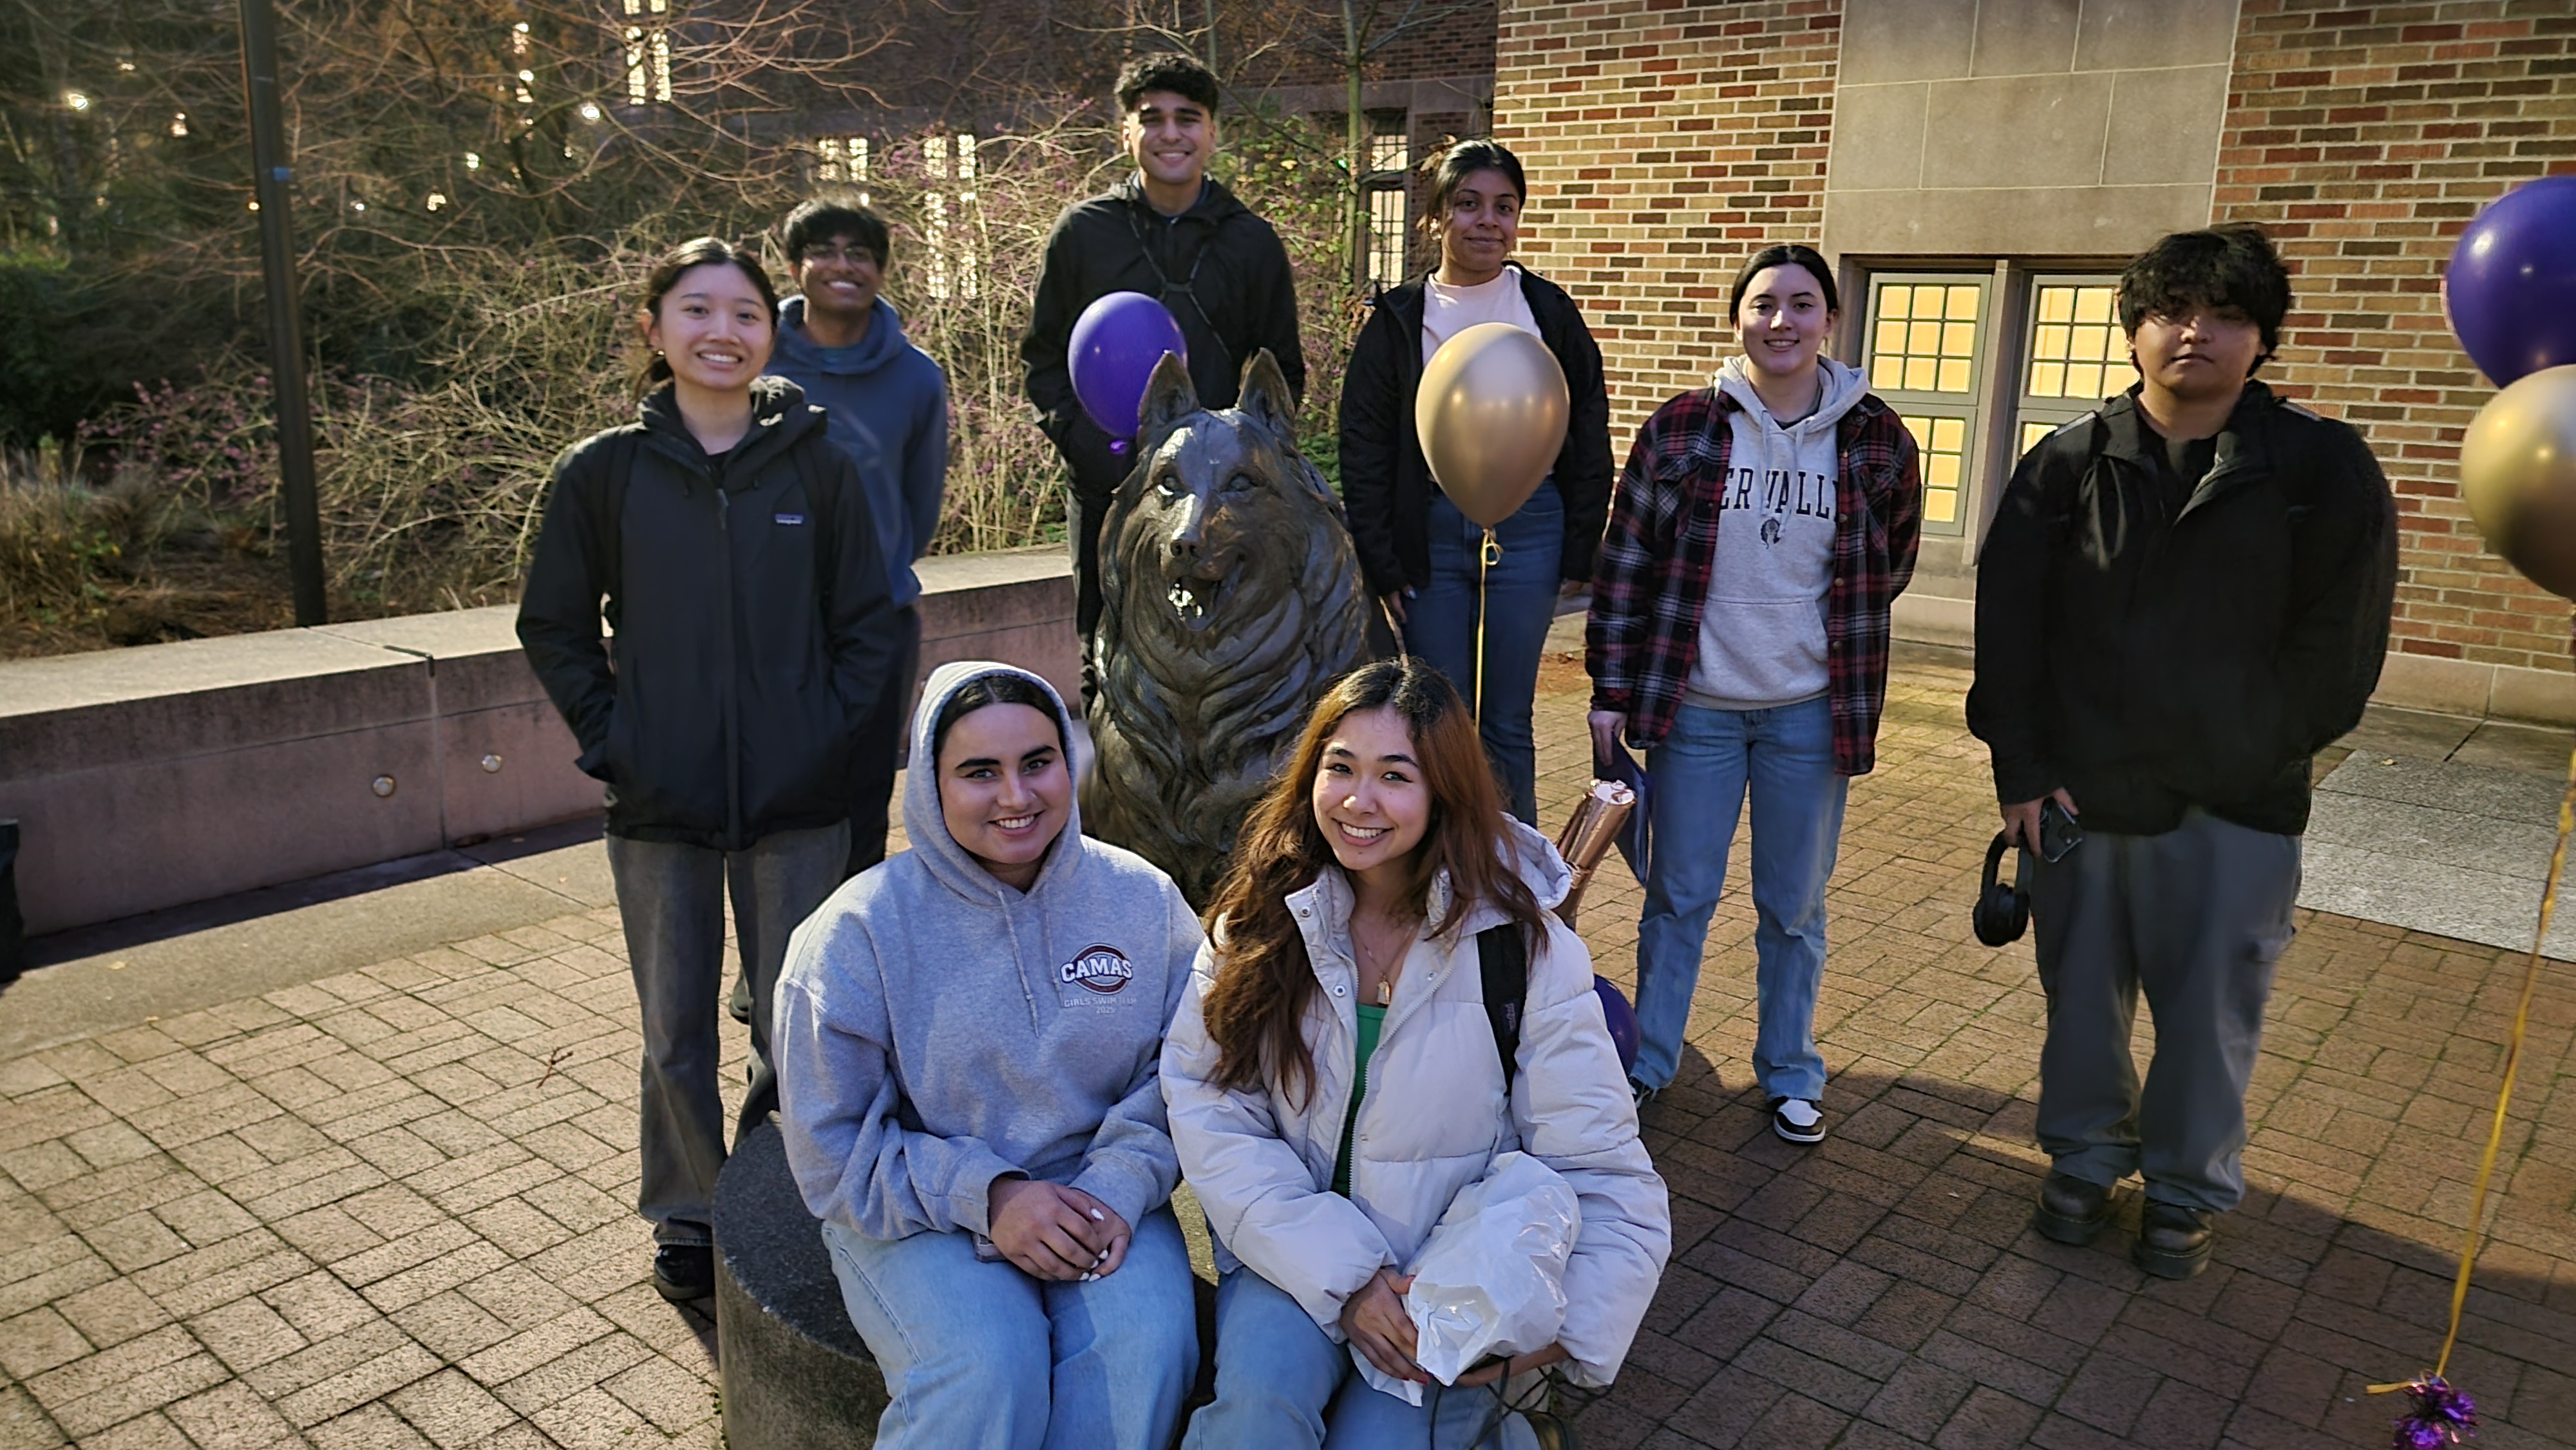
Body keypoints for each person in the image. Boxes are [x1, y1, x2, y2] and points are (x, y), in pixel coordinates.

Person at [1967, 225, 2395, 1279]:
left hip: (2235, 805)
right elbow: (2009, 630)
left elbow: (2336, 655)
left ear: (2263, 338)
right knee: (2082, 1006)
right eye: (2170, 310)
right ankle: (2081, 1159)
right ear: (2133, 328)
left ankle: (2184, 1190)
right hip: (2078, 798)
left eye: (2225, 314)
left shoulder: (2319, 471)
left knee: (2209, 1017)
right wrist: (2021, 774)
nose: (2193, 333)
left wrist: (2235, 757)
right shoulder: (2066, 466)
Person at [517, 237, 898, 1303]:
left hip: (798, 802)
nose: (721, 331)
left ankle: (776, 1186)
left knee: (798, 1023)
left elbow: (866, 625)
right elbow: (552, 624)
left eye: (742, 312)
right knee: (673, 1026)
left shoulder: (819, 467)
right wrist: (617, 736)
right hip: (659, 805)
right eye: (696, 310)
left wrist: (822, 731)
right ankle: (688, 1208)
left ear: (768, 332)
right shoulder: (603, 474)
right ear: (654, 329)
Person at [1163, 658, 1669, 1447]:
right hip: (1290, 1256)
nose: (1360, 801)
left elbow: (1604, 1168)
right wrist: (1347, 1275)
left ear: (1442, 793)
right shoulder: (1258, 922)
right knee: (1254, 1419)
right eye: (1341, 768)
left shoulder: (1522, 950)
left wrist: (1562, 1334)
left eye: (1395, 775)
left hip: (1450, 1275)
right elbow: (1210, 1107)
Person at [773, 663, 1203, 1449]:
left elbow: (1184, 1077)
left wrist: (1115, 1184)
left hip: (1101, 1190)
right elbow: (832, 1153)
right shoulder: (853, 935)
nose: (1016, 795)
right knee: (984, 1366)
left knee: (1144, 1348)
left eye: (1037, 762)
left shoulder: (1144, 900)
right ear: (930, 785)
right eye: (979, 772)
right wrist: (993, 1195)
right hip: (915, 1209)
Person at [1586, 243, 1924, 1143]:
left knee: (1795, 904)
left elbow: (1887, 562)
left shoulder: (1878, 437)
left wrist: (1816, 642)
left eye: (1803, 304)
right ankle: (1650, 1062)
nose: (1783, 321)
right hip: (1695, 708)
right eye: (1765, 303)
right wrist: (1611, 688)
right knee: (1678, 895)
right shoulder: (1684, 428)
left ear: (1831, 321)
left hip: (1809, 713)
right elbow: (1626, 563)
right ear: (1738, 317)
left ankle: (1789, 1071)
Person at [1340, 138, 1611, 827]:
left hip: (1532, 525)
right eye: (1467, 205)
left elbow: (1587, 429)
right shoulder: (1398, 319)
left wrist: (1582, 544)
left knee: (1508, 718)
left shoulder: (1547, 311)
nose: (1486, 221)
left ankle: (1511, 874)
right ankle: (1439, 863)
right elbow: (1365, 446)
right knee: (1439, 713)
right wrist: (1382, 557)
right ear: (1436, 218)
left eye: (1504, 207)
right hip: (1428, 530)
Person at [1020, 51, 1306, 682]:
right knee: (1110, 672)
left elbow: (1280, 374)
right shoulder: (1082, 233)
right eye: (1151, 118)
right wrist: (1083, 446)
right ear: (1125, 131)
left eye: (1187, 117)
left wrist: (1238, 469)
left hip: (1214, 517)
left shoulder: (1250, 241)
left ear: (1212, 132)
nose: (1169, 133)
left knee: (1216, 673)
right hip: (1111, 498)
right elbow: (1042, 360)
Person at [768, 195, 951, 876]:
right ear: (793, 266)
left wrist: (870, 572)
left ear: (879, 271)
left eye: (861, 254)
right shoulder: (753, 361)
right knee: (770, 793)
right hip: (766, 619)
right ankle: (770, 963)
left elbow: (919, 503)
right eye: (825, 251)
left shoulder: (916, 376)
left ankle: (850, 953)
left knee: (862, 793)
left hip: (874, 619)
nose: (842, 266)